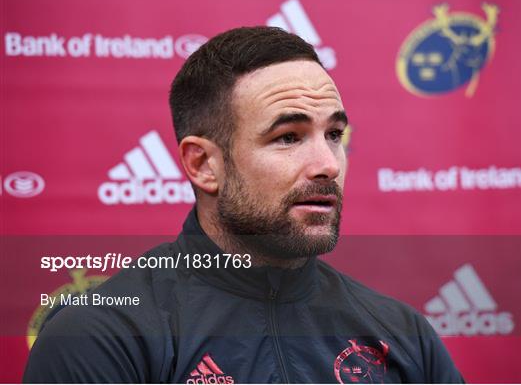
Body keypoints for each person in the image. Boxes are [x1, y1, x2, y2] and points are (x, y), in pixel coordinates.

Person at [24, 26, 464, 383]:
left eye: (334, 135)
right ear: (203, 165)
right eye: (287, 137)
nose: (327, 165)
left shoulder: (402, 334)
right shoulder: (102, 337)